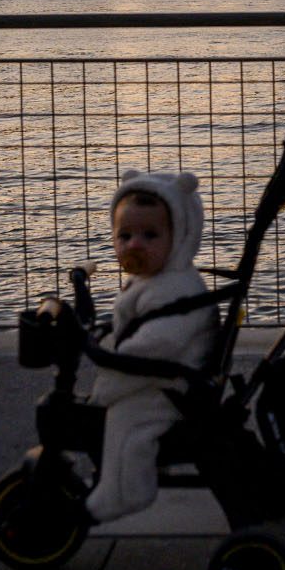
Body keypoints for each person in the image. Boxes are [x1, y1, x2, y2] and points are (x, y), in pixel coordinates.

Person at [82, 169, 219, 524]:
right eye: (124, 236)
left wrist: (112, 370)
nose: (134, 245)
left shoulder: (177, 289)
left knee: (127, 424)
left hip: (171, 384)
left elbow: (157, 345)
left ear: (180, 237)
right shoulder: (152, 281)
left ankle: (125, 490)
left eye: (149, 235)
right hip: (163, 375)